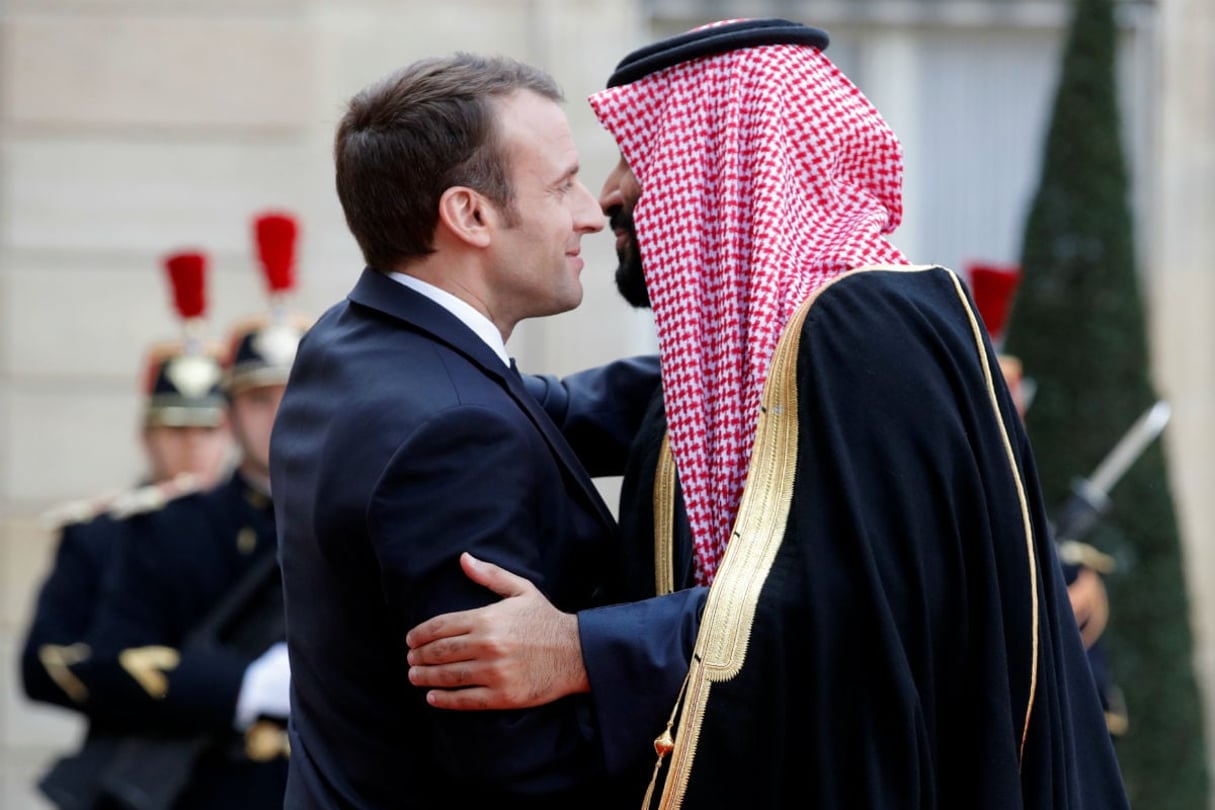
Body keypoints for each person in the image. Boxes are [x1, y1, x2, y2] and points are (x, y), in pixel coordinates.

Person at [406, 19, 1130, 808]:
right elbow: (548, 409)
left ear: (723, 162)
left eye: (635, 155)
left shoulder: (870, 328)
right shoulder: (746, 360)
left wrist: (585, 650)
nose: (608, 197)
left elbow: (862, 613)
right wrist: (394, 340)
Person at [268, 53, 697, 808]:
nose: (591, 215)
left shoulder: (355, 340)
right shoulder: (454, 431)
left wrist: (779, 360)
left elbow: (552, 407)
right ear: (469, 214)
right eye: (561, 185)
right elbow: (520, 763)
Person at [28, 225, 308, 810]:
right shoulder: (161, 527)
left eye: (293, 394)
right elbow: (93, 659)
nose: (278, 418)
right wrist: (243, 687)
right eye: (259, 400)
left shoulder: (351, 516)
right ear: (233, 413)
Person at [22, 251, 233, 808]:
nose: (192, 444)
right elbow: (43, 664)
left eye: (207, 428)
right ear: (146, 434)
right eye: (175, 427)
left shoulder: (263, 528)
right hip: (134, 769)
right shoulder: (102, 533)